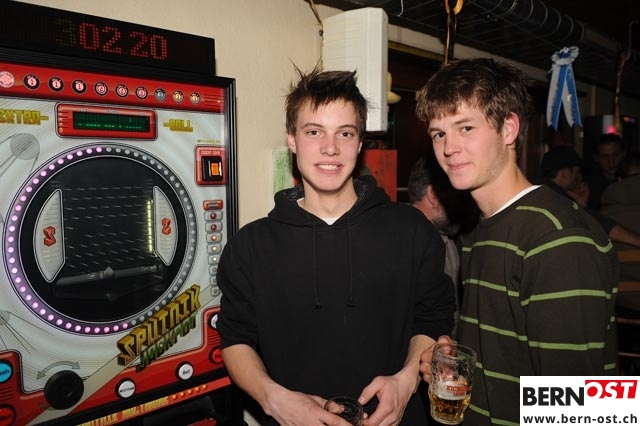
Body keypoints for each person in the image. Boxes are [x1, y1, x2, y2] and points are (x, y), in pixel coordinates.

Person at [216, 67, 455, 426]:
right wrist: (274, 400)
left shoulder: (412, 230)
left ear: (359, 144)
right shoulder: (250, 246)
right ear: (292, 140)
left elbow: (432, 317)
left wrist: (406, 382)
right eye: (314, 132)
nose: (330, 148)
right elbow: (235, 339)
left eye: (345, 133)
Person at [415, 57, 619, 426]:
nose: (449, 148)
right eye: (438, 134)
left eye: (465, 128)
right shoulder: (480, 232)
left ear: (509, 128)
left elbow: (584, 408)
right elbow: (504, 358)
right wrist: (454, 361)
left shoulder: (557, 238)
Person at [407, 153, 479, 337]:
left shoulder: (450, 240)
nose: (467, 203)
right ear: (433, 195)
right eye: (459, 195)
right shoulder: (403, 245)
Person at [536, 145, 640, 248]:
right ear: (564, 174)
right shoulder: (554, 197)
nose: (580, 177)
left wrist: (581, 206)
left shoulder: (543, 191)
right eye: (577, 172)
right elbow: (599, 224)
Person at [585, 132, 626, 210]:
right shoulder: (587, 187)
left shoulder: (633, 181)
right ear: (596, 158)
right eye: (605, 157)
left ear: (623, 154)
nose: (611, 162)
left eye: (615, 155)